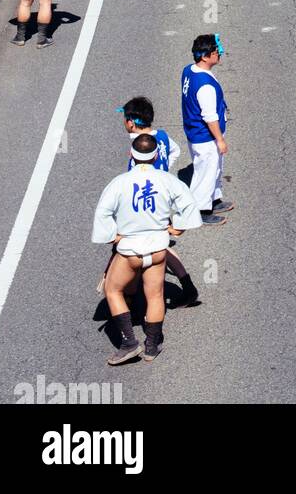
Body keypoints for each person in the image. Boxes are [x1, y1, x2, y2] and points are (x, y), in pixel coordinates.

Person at [92, 134, 202, 364]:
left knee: (113, 290)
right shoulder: (167, 180)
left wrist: (113, 235)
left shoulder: (119, 183)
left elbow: (103, 213)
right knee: (156, 295)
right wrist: (178, 227)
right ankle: (152, 345)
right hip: (158, 248)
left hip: (130, 250)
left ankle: (129, 343)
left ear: (131, 154)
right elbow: (189, 204)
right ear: (155, 156)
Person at [117, 96, 199, 306]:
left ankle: (130, 294)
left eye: (125, 119)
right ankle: (187, 286)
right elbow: (176, 150)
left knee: (144, 242)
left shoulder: (138, 144)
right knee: (159, 241)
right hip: (162, 194)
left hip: (146, 200)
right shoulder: (161, 136)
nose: (124, 123)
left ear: (131, 122)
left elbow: (133, 177)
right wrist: (164, 171)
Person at [180, 34, 233, 225]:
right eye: (215, 52)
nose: (219, 54)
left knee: (215, 169)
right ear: (205, 56)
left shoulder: (189, 71)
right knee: (206, 172)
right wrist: (220, 139)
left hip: (195, 131)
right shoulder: (205, 86)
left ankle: (214, 198)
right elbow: (209, 116)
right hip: (205, 136)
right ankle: (201, 210)